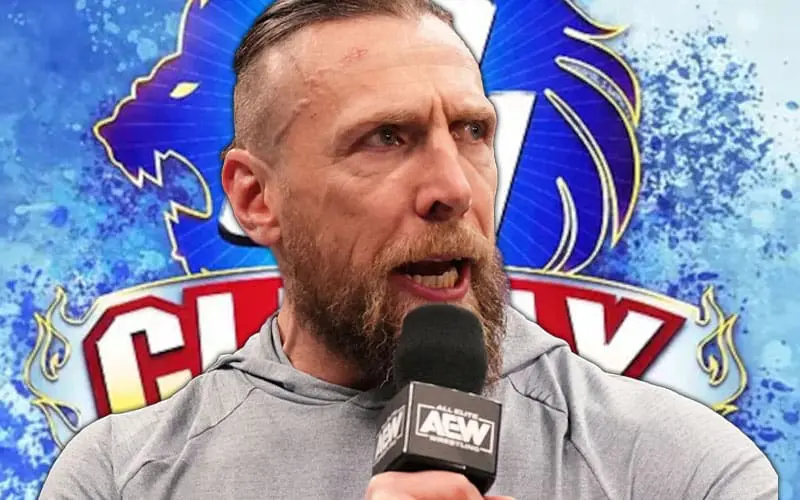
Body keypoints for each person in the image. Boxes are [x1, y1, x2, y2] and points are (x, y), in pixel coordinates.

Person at [40, 0, 778, 498]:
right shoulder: (118, 477)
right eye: (386, 138)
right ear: (256, 198)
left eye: (472, 132)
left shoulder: (682, 469)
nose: (453, 188)